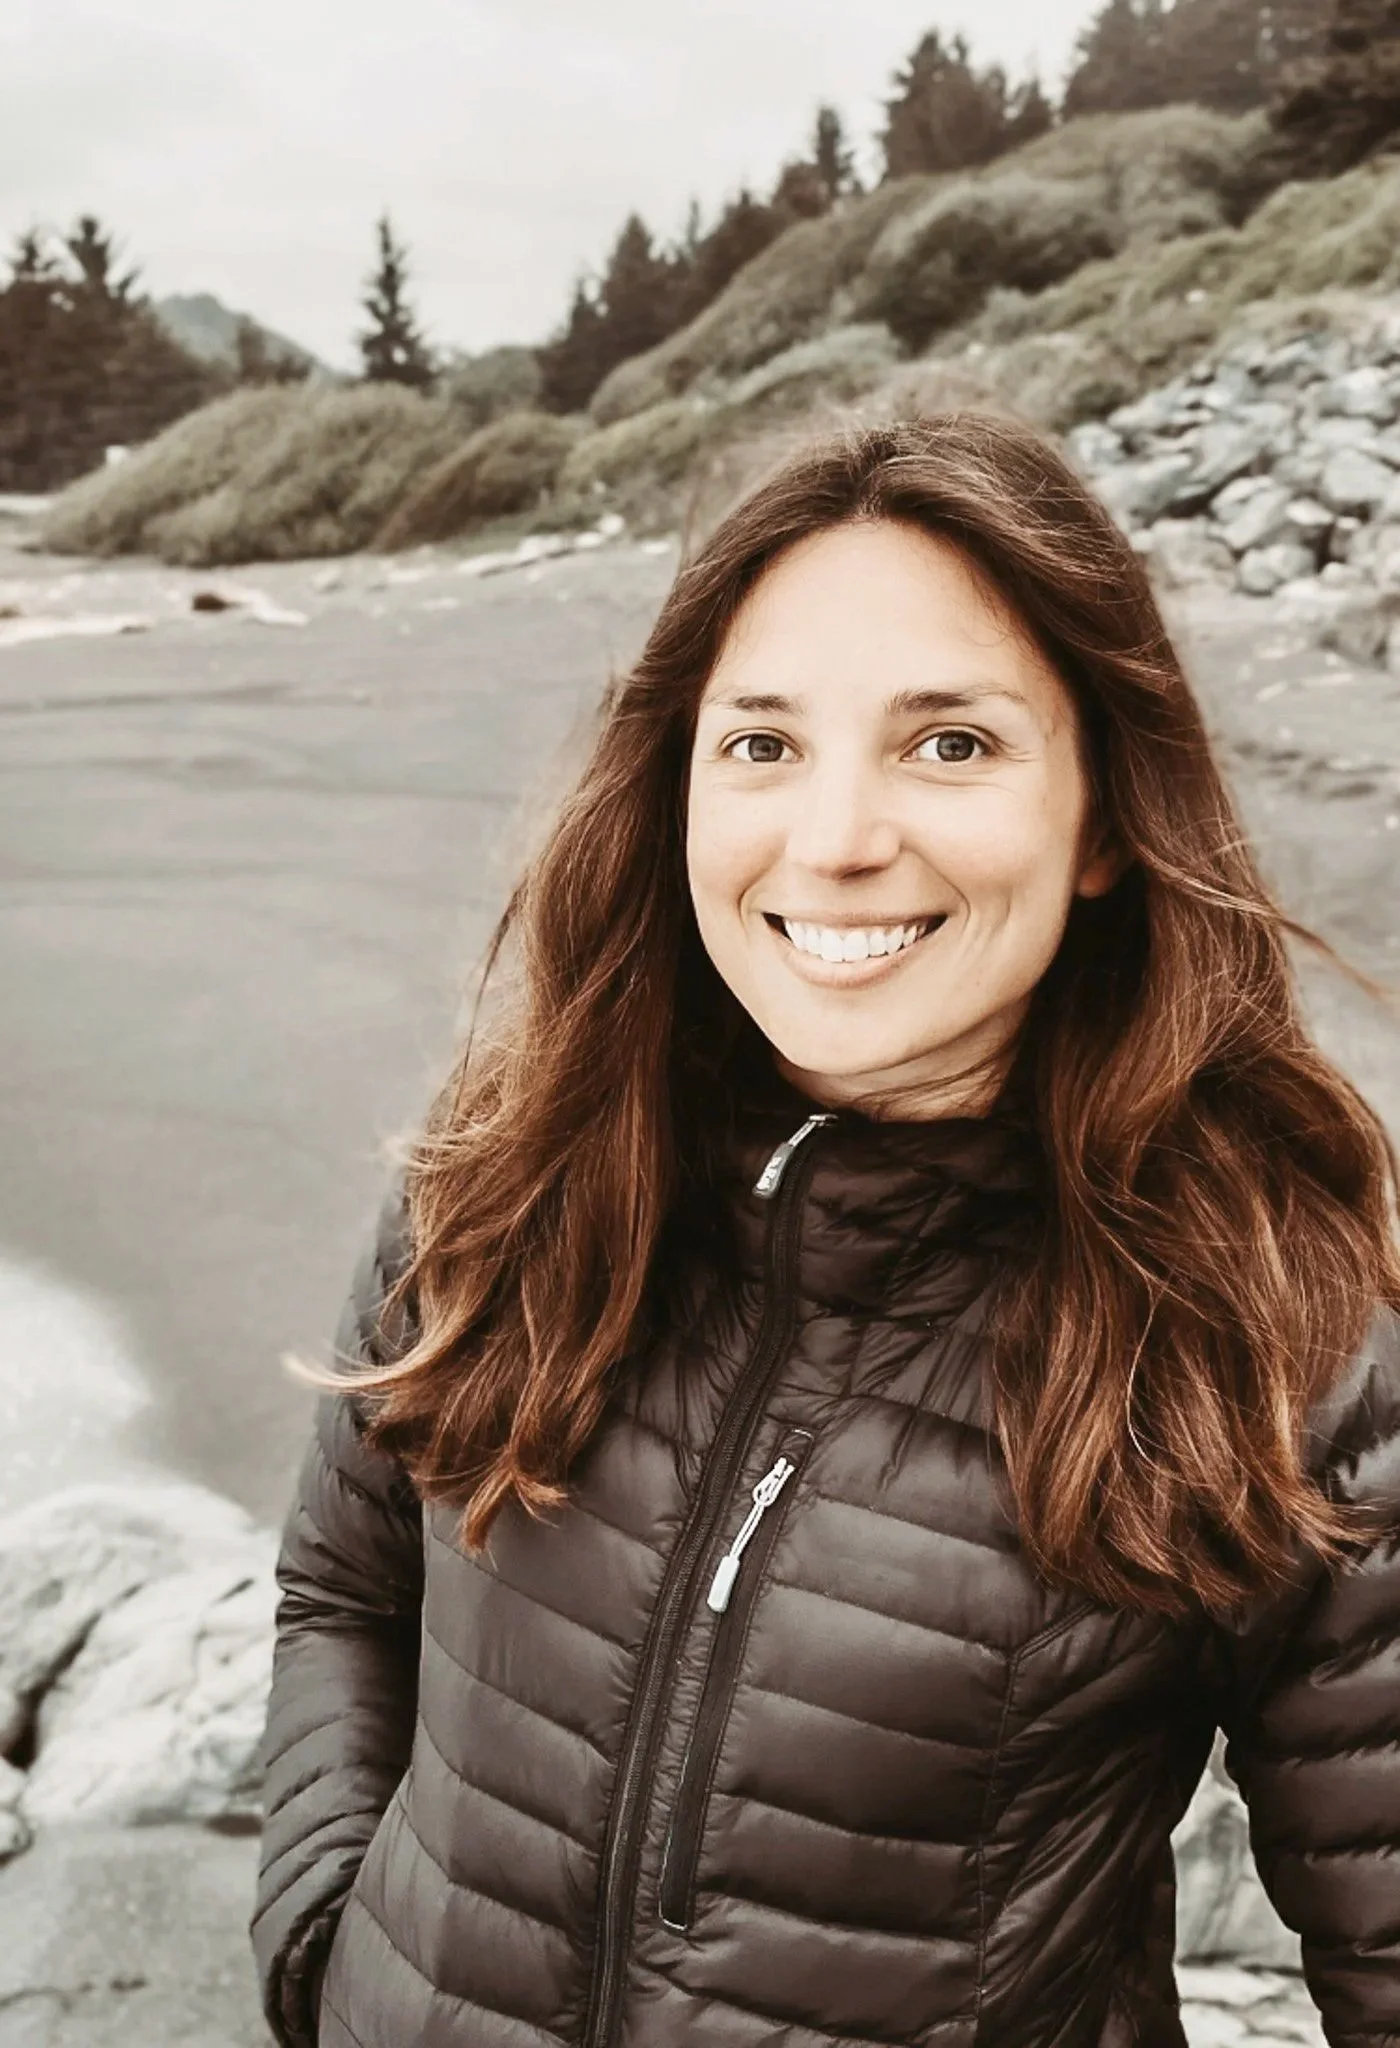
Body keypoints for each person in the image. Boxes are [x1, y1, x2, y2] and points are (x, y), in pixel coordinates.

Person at [251, 415, 1400, 2048]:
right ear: (677, 787)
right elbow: (342, 1599)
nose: (838, 838)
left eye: (951, 745)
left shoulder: (1271, 1327)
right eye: (764, 745)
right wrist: (324, 1951)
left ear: (1099, 821)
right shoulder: (506, 1180)